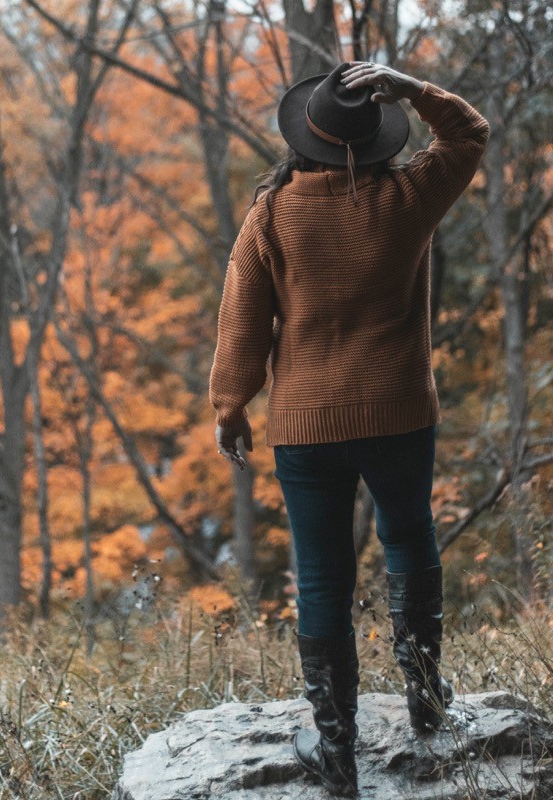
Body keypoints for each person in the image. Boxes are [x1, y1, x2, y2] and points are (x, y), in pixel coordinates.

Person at [208, 59, 490, 796]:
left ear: (307, 135)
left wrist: (230, 406)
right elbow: (470, 135)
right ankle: (427, 703)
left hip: (304, 422)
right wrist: (417, 88)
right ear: (377, 137)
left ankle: (336, 751)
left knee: (324, 572)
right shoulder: (409, 195)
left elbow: (242, 318)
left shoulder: (271, 213)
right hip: (398, 408)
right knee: (408, 537)